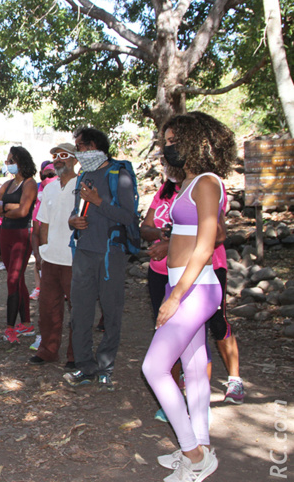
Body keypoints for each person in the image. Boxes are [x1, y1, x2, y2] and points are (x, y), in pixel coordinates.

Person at [142, 112, 236, 481]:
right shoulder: (188, 182)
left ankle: (193, 455)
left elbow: (209, 241)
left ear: (196, 140)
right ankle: (202, 445)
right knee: (195, 372)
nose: (168, 146)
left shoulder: (208, 182)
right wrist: (167, 245)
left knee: (154, 367)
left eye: (174, 139)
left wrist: (176, 295)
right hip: (180, 283)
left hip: (196, 288)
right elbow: (189, 233)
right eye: (166, 140)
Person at [64, 127, 137, 391]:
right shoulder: (83, 175)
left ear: (94, 145)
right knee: (80, 312)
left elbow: (128, 217)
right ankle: (85, 366)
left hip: (110, 255)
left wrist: (97, 201)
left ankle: (106, 367)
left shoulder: (119, 174)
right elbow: (74, 214)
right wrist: (73, 221)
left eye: (80, 146)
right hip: (84, 253)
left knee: (111, 311)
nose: (78, 152)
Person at [30, 144, 77, 367]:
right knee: (48, 309)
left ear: (75, 160)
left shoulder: (83, 186)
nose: (58, 160)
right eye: (55, 156)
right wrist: (43, 251)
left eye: (64, 156)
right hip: (51, 259)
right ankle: (47, 350)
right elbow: (43, 223)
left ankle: (75, 355)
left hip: (74, 259)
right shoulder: (49, 188)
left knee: (77, 309)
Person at [0, 146, 38, 343]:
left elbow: (24, 211)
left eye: (11, 161)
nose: (8, 164)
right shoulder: (7, 185)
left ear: (22, 161)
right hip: (6, 232)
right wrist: (10, 208)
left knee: (13, 279)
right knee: (16, 280)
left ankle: (10, 327)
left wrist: (5, 207)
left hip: (22, 233)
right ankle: (26, 323)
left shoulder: (30, 184)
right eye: (7, 161)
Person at [30, 162, 57, 300]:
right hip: (40, 229)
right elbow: (35, 232)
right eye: (44, 175)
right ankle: (39, 287)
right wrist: (36, 253)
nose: (47, 178)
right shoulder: (39, 194)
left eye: (51, 174)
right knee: (39, 260)